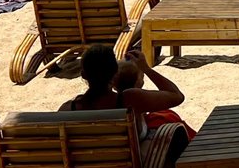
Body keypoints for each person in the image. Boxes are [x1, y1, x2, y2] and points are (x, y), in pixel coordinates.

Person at [59, 45, 188, 141]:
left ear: (83, 74)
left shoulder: (68, 110)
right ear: (115, 73)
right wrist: (146, 68)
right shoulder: (130, 100)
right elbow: (177, 96)